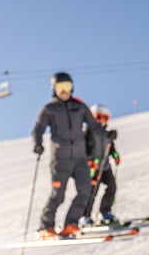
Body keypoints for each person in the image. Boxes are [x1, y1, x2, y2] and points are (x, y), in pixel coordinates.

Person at [31, 72, 108, 238]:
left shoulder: (79, 107)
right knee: (58, 195)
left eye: (67, 87)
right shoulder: (49, 109)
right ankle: (46, 227)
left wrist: (106, 136)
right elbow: (38, 128)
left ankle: (70, 224)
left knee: (85, 192)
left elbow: (94, 126)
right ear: (54, 89)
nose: (64, 91)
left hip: (80, 159)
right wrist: (37, 143)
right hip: (61, 159)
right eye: (60, 87)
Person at [82, 103, 120, 226]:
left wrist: (115, 155)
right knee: (92, 191)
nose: (101, 121)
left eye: (105, 118)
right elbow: (83, 149)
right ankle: (85, 216)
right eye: (99, 117)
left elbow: (111, 148)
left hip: (105, 167)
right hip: (93, 168)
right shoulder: (87, 133)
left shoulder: (106, 134)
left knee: (112, 187)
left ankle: (105, 211)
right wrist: (90, 160)